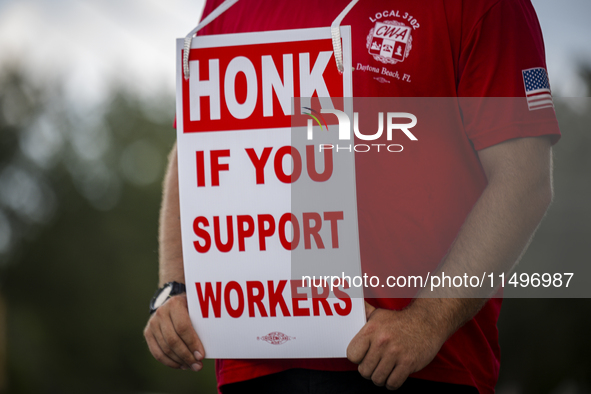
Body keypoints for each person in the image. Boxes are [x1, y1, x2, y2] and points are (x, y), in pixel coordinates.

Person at [144, 1, 561, 393]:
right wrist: (174, 288)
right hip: (255, 363)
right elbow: (195, 152)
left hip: (413, 365)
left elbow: (524, 180)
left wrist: (427, 322)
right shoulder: (227, 6)